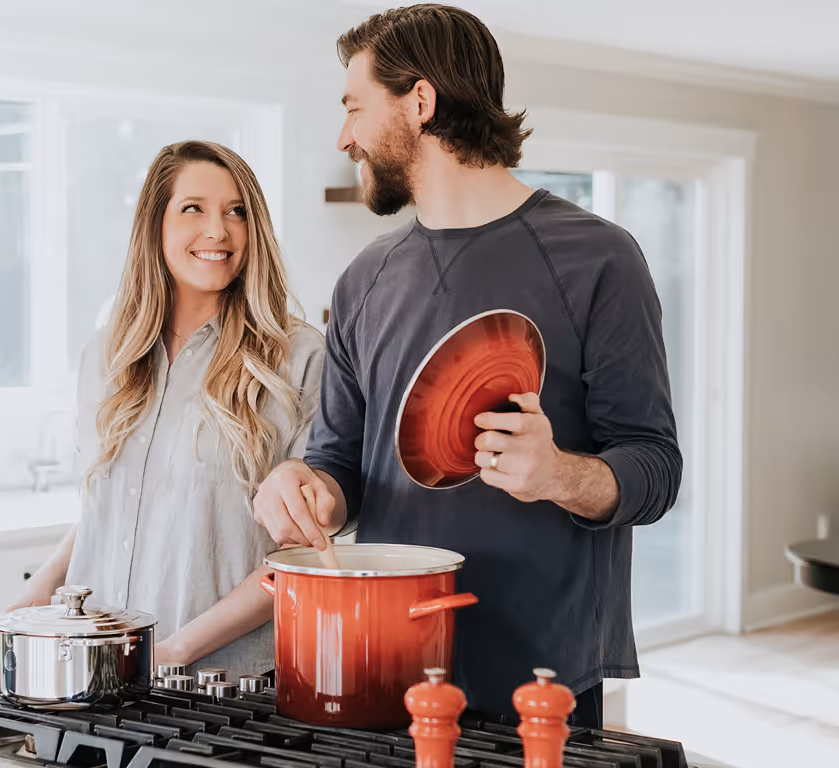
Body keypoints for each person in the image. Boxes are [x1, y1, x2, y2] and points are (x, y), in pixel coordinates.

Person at [252, 5, 682, 726]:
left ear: (419, 103)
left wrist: (560, 475)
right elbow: (339, 462)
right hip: (386, 668)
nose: (344, 137)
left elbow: (655, 467)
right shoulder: (364, 277)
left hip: (540, 679)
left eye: (355, 107)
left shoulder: (598, 258)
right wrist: (308, 489)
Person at [3, 140, 326, 678]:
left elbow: (302, 554)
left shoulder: (296, 360)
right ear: (155, 225)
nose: (218, 231)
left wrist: (171, 652)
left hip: (224, 687)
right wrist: (26, 608)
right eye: (193, 208)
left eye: (236, 212)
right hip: (95, 676)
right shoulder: (107, 355)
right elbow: (110, 510)